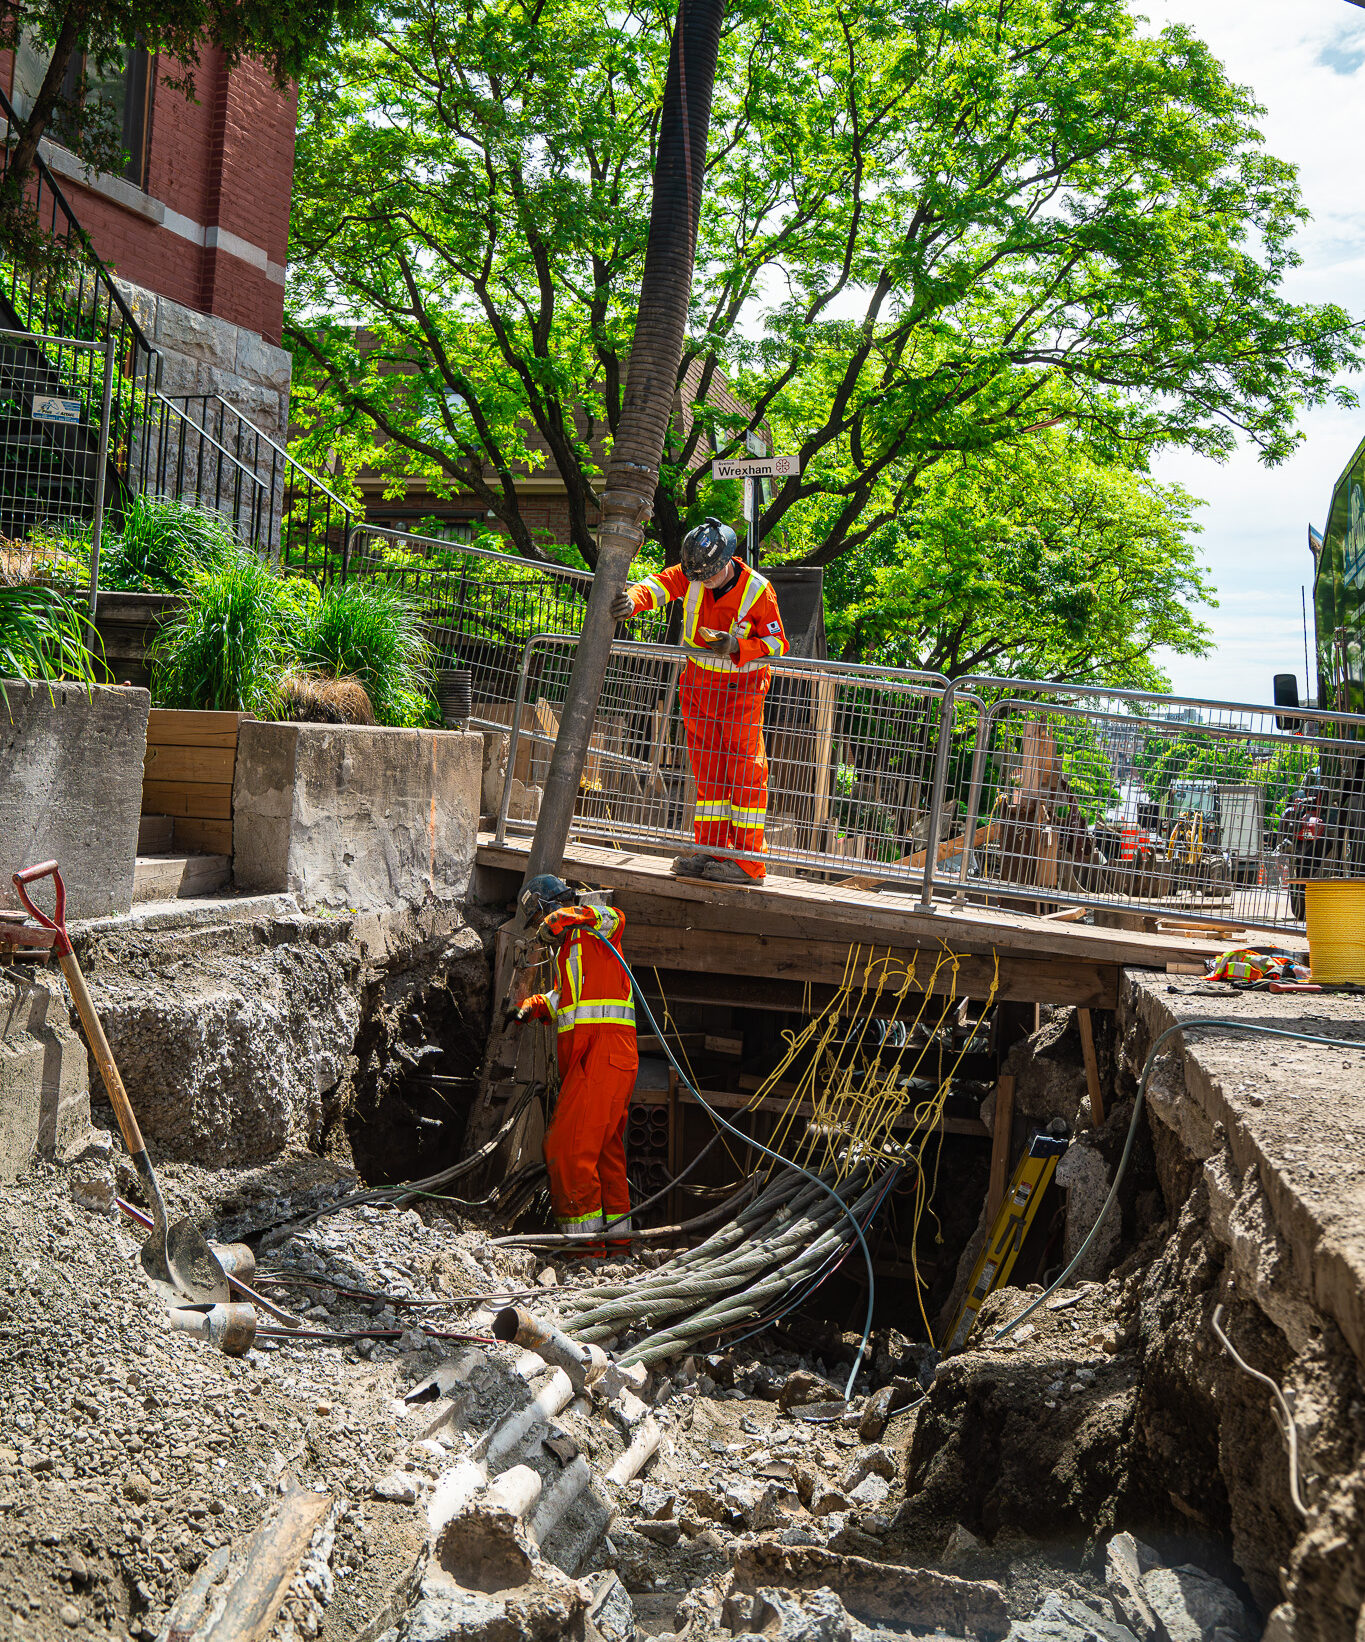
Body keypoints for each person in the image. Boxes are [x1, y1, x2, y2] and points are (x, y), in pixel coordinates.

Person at [611, 517, 789, 884]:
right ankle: (710, 850)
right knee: (708, 773)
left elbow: (777, 644)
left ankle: (747, 862)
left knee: (745, 775)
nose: (702, 580)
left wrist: (738, 646)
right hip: (699, 687)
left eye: (709, 574)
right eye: (698, 575)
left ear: (727, 560)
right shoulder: (692, 571)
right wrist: (632, 601)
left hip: (741, 691)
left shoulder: (759, 590)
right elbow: (660, 585)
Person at [511, 873, 637, 1253]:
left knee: (567, 1151)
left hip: (600, 1059)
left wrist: (569, 917)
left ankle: (584, 1251)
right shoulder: (569, 953)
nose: (541, 932)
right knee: (604, 1154)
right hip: (602, 1061)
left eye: (540, 922)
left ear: (550, 909)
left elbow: (614, 917)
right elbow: (571, 1001)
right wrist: (536, 1006)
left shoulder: (594, 929)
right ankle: (617, 1246)